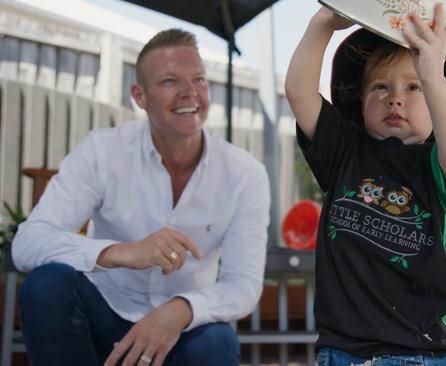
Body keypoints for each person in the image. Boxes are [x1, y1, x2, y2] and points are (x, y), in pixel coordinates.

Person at [12, 28, 270, 366]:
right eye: (169, 82)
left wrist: (180, 310)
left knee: (217, 342)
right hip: (102, 320)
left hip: (180, 334)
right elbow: (27, 244)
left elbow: (244, 285)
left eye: (199, 80)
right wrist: (121, 253)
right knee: (46, 286)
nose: (189, 93)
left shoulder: (244, 173)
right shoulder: (102, 151)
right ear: (140, 95)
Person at [285, 4, 446, 365]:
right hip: (341, 353)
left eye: (415, 86)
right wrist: (324, 20)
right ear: (360, 103)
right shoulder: (343, 151)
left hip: (417, 354)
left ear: (439, 103)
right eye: (379, 86)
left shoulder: (435, 168)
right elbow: (298, 91)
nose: (395, 97)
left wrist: (433, 72)